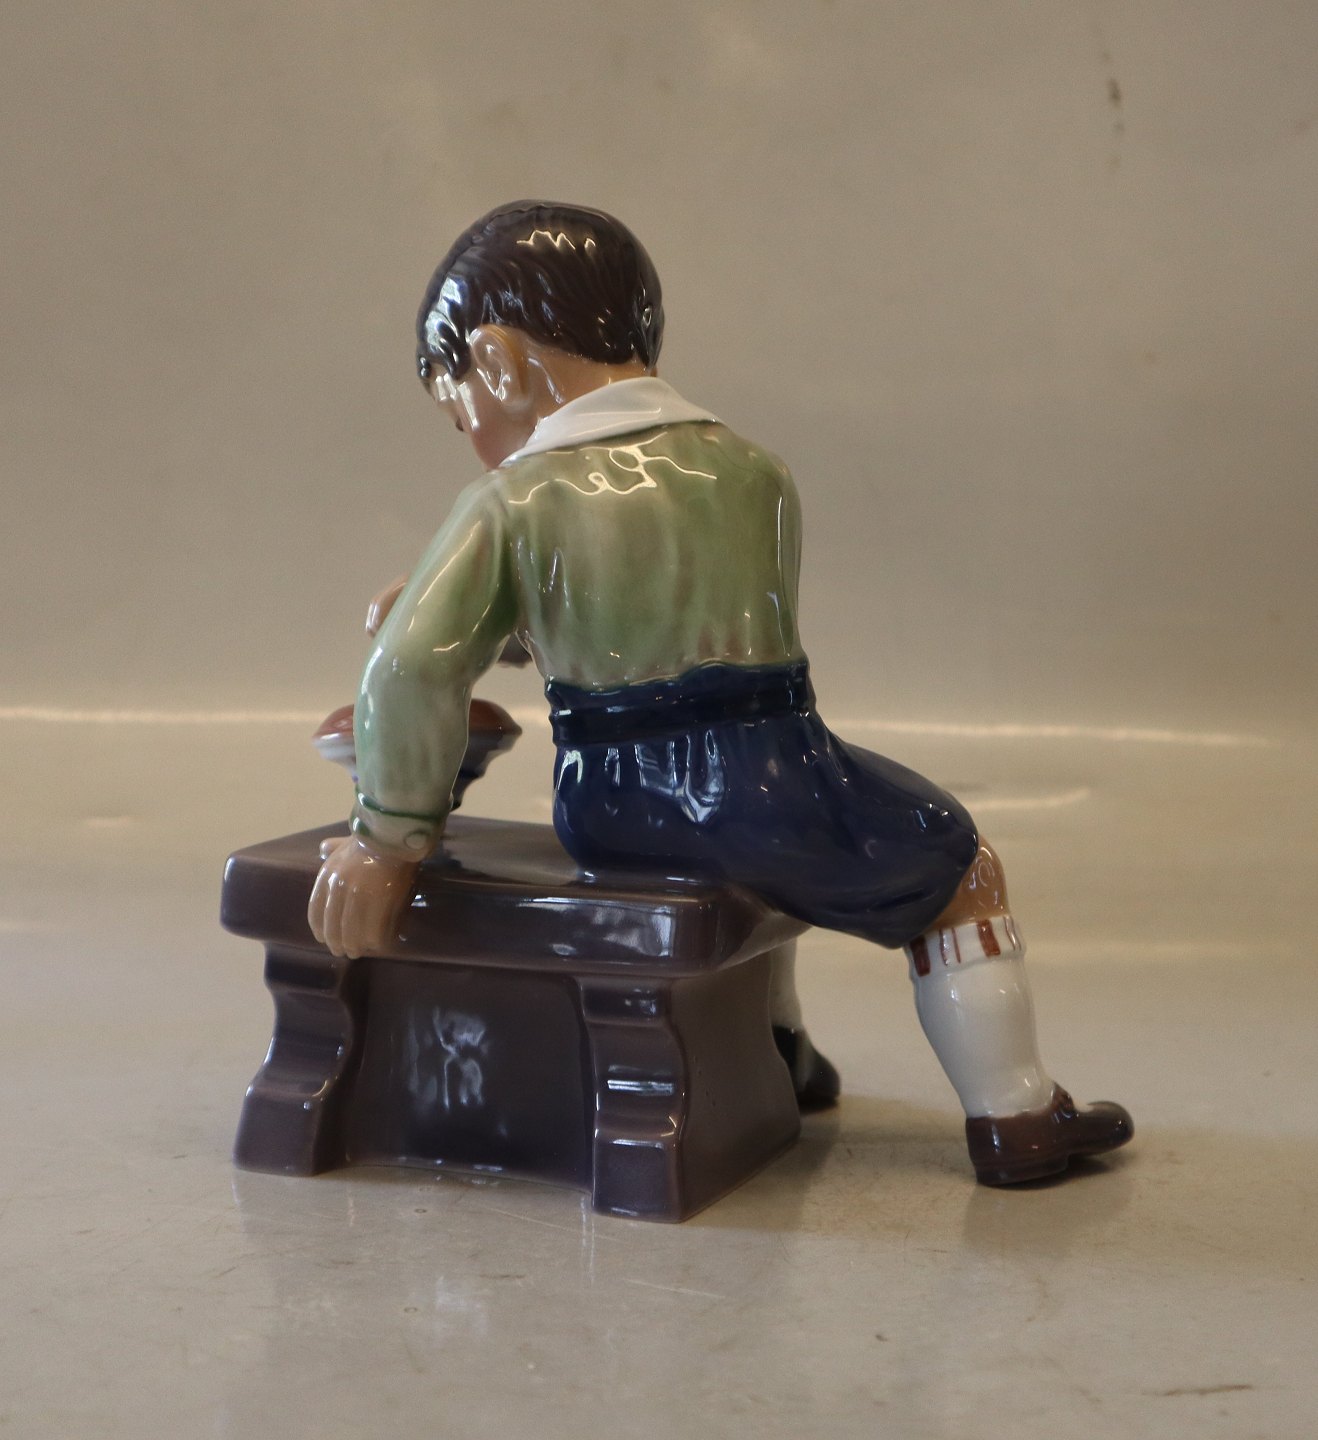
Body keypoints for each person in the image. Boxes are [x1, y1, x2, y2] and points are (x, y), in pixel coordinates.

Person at [308, 200, 1132, 1185]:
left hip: (609, 805)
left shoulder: (512, 499)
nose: (472, 438)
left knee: (785, 856)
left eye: (461, 413)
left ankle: (798, 1056)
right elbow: (665, 629)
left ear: (500, 362)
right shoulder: (752, 474)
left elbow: (415, 667)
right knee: (958, 876)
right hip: (769, 780)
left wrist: (386, 839)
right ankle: (1013, 1111)